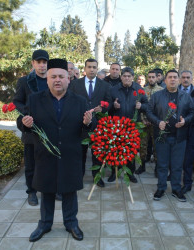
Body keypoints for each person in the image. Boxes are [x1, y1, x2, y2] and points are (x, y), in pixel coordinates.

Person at [18, 58, 94, 242]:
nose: (57, 80)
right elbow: (22, 122)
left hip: (70, 153)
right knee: (47, 190)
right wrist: (24, 123)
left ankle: (71, 223)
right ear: (48, 79)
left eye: (61, 76)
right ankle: (45, 223)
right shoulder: (35, 99)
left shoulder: (80, 101)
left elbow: (90, 127)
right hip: (45, 154)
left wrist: (88, 123)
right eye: (53, 77)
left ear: (69, 78)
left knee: (69, 191)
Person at [146, 69, 194, 202]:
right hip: (162, 136)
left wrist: (185, 121)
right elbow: (149, 112)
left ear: (178, 80)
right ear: (165, 80)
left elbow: (192, 112)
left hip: (180, 137)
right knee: (162, 164)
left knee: (177, 165)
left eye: (175, 77)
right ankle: (161, 188)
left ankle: (176, 189)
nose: (172, 79)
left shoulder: (186, 96)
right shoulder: (157, 96)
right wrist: (158, 122)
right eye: (170, 77)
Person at [13, 49, 49, 206]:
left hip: (49, 129)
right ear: (33, 63)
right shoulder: (24, 81)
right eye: (38, 62)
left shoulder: (53, 80)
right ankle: (32, 192)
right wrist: (28, 113)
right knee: (31, 164)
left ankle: (49, 189)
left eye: (44, 62)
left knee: (49, 162)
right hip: (31, 128)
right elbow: (17, 101)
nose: (41, 65)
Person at [68, 58, 111, 188]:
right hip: (79, 125)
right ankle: (78, 177)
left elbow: (109, 102)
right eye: (89, 67)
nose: (91, 69)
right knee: (79, 153)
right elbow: (69, 101)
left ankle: (97, 177)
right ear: (85, 69)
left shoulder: (105, 85)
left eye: (94, 67)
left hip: (98, 125)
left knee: (97, 153)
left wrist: (102, 108)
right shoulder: (75, 85)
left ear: (97, 69)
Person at [109, 67, 148, 183]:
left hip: (133, 125)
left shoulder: (139, 89)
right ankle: (114, 173)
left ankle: (130, 173)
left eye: (129, 76)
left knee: (131, 151)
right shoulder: (114, 90)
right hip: (117, 125)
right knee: (115, 150)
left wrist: (141, 106)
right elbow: (107, 106)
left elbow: (147, 105)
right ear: (121, 77)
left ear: (132, 78)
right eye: (124, 76)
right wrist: (113, 105)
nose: (126, 78)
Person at [135, 70, 163, 175]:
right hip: (144, 122)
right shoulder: (142, 90)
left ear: (157, 78)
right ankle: (142, 166)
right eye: (149, 77)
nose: (151, 79)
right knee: (143, 145)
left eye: (153, 77)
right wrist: (143, 119)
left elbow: (161, 108)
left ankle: (157, 168)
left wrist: (154, 120)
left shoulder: (161, 91)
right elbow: (139, 105)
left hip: (155, 122)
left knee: (156, 145)